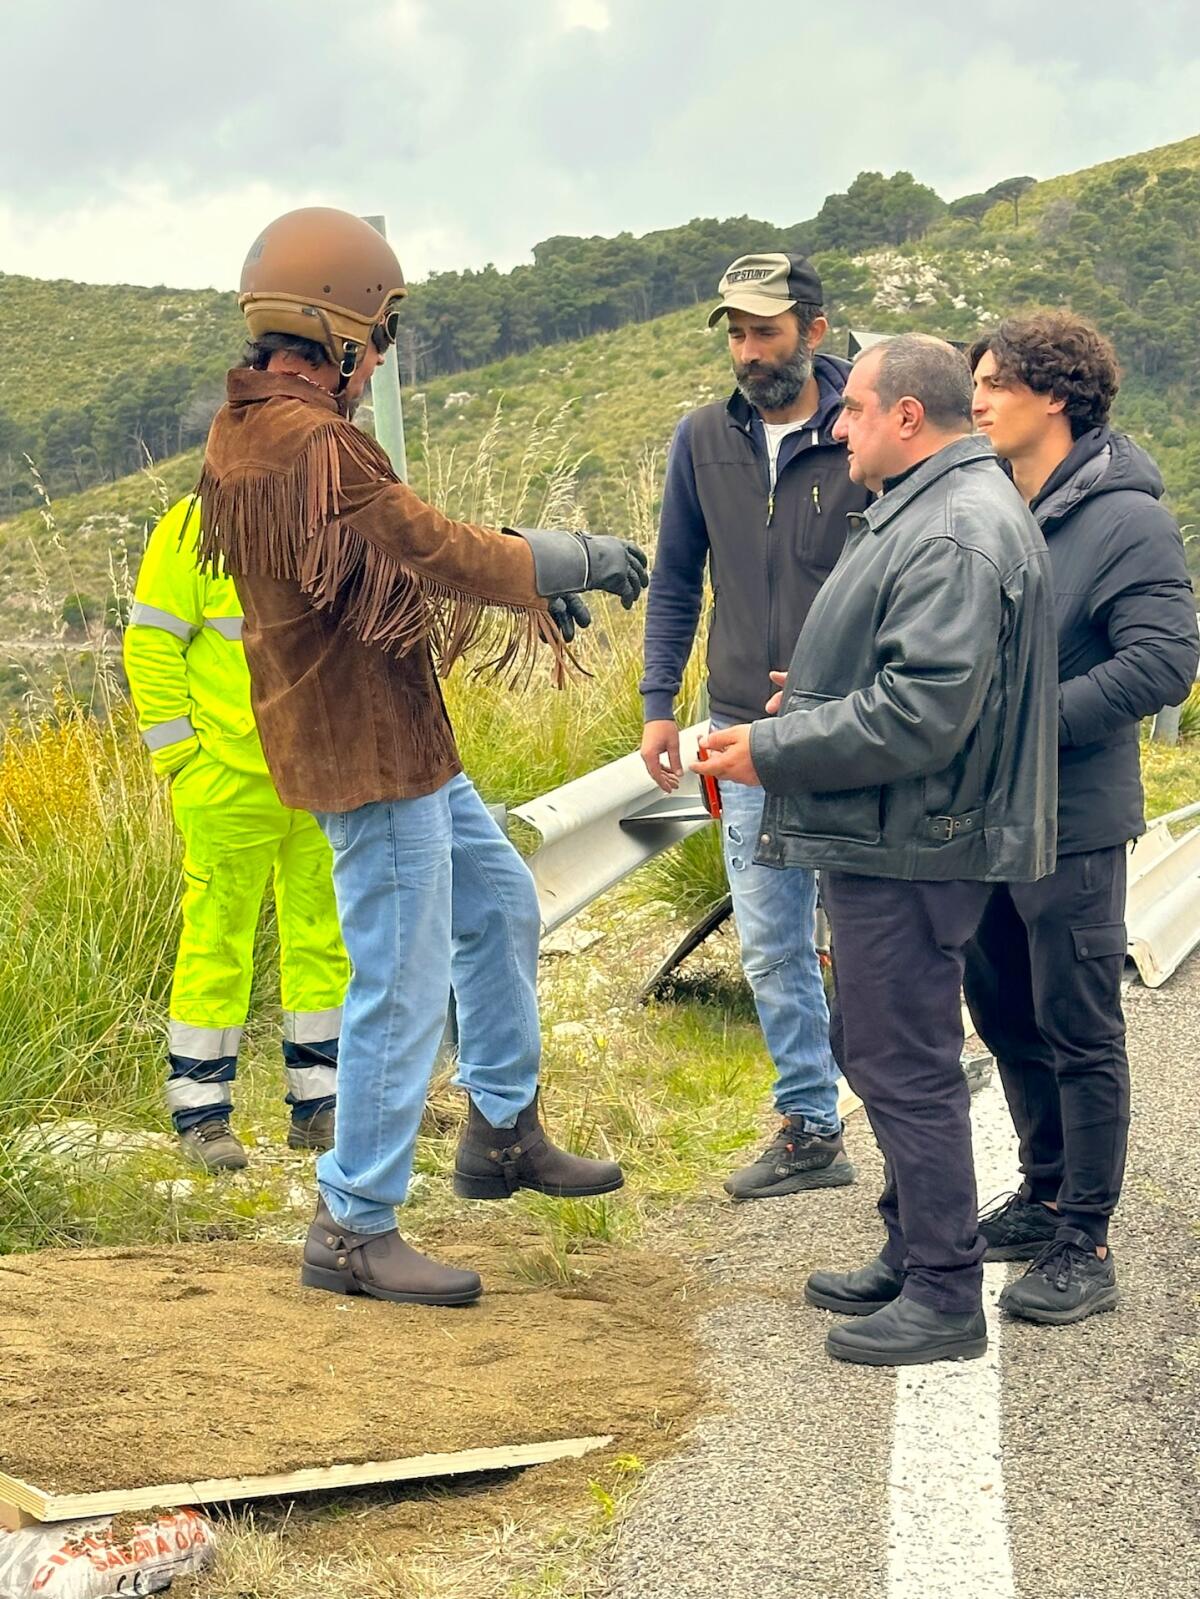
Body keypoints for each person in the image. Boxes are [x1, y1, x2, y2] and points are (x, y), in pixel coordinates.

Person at [196, 206, 649, 1306]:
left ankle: (499, 1129)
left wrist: (529, 577)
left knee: (497, 902)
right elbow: (427, 544)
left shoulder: (254, 426)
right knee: (396, 985)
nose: (382, 355)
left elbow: (369, 555)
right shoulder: (311, 439)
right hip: (368, 750)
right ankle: (353, 1222)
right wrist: (561, 558)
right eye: (380, 329)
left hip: (392, 733)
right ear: (341, 329)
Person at [694, 335, 1058, 1366]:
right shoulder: (934, 508)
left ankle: (945, 1292)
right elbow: (906, 675)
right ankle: (913, 1248)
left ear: (907, 416)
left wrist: (775, 745)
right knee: (878, 1043)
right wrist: (809, 703)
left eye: (852, 408)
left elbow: (924, 712)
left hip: (913, 838)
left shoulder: (952, 528)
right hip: (898, 830)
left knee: (904, 1063)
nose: (834, 425)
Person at [965, 312, 1199, 1324]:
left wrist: (1022, 725)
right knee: (1004, 1008)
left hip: (1075, 816)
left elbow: (1163, 661)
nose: (974, 400)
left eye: (992, 383)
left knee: (1078, 1021)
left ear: (1053, 395)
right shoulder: (986, 503)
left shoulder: (1128, 518)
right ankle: (1042, 1186)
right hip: (980, 814)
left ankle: (1085, 1238)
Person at [639, 252, 870, 1200]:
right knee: (773, 936)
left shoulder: (872, 430)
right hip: (738, 731)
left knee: (870, 931)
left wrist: (840, 677)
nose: (746, 350)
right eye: (734, 332)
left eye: (764, 331)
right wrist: (660, 703)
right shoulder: (701, 438)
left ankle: (905, 1101)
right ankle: (811, 1124)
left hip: (856, 726)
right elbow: (674, 578)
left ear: (813, 330)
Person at [125, 495, 348, 1171]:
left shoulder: (333, 514)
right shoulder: (193, 525)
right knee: (217, 937)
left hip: (317, 772)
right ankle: (201, 1112)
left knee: (324, 932)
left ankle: (321, 1103)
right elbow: (152, 642)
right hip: (226, 779)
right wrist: (184, 758)